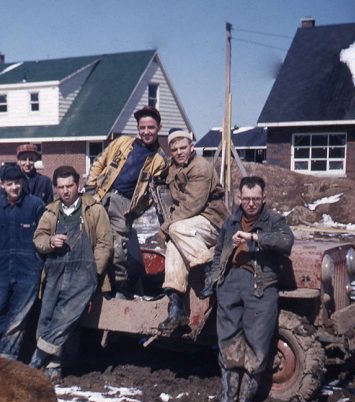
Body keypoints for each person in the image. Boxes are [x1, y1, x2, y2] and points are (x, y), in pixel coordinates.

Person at [210, 176, 293, 402]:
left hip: (260, 285)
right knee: (228, 342)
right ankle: (227, 400)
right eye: (246, 199)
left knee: (257, 344)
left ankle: (245, 401)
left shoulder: (274, 220)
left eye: (256, 199)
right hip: (230, 284)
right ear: (239, 198)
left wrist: (254, 237)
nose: (251, 204)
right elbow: (219, 253)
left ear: (263, 198)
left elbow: (286, 242)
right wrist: (216, 281)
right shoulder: (230, 221)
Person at [30, 166, 112, 381]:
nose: (65, 191)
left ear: (79, 185)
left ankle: (43, 361)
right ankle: (49, 363)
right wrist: (50, 241)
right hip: (56, 270)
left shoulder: (94, 209)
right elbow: (38, 239)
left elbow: (105, 243)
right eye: (61, 187)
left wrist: (94, 270)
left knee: (66, 318)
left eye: (70, 186)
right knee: (47, 318)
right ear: (56, 188)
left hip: (84, 272)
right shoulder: (51, 212)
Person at [85, 105, 166, 298]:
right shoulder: (122, 142)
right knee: (89, 239)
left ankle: (121, 287)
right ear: (138, 128)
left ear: (158, 128)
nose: (146, 132)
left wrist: (132, 212)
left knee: (117, 249)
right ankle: (92, 287)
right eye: (142, 127)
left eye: (151, 128)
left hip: (124, 204)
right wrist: (90, 188)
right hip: (100, 195)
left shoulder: (160, 161)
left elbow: (151, 196)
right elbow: (100, 162)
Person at [157, 128, 229, 331]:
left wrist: (165, 226)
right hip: (191, 226)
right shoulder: (173, 167)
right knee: (173, 246)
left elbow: (191, 205)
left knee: (176, 229)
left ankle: (210, 272)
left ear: (191, 146)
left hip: (212, 221)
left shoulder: (201, 167)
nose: (179, 152)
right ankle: (176, 308)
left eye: (183, 147)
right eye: (174, 149)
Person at [0, 163, 45, 360]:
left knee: (18, 316)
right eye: (10, 184)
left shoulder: (35, 205)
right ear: (2, 185)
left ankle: (9, 356)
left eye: (17, 183)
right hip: (0, 270)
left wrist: (37, 264)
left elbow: (44, 235)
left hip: (28, 270)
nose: (15, 187)